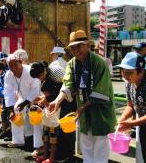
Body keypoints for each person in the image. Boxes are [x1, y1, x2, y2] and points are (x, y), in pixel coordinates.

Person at [48, 30, 117, 163]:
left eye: (79, 46)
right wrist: (57, 101)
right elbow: (67, 84)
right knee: (86, 144)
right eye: (72, 47)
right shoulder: (72, 64)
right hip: (83, 112)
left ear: (87, 45)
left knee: (100, 146)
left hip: (100, 112)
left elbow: (100, 91)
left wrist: (81, 108)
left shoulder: (99, 63)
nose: (75, 50)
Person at [4, 53, 41, 149]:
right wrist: (11, 110)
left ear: (21, 63)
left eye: (16, 65)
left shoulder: (30, 70)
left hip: (36, 97)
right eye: (11, 66)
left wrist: (26, 103)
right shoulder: (8, 74)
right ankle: (18, 140)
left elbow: (36, 88)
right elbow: (8, 92)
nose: (14, 69)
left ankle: (38, 145)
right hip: (22, 97)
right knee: (16, 110)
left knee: (35, 116)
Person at [116, 52, 146, 162]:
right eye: (123, 72)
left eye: (129, 72)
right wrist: (123, 118)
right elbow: (130, 106)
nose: (124, 75)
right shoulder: (128, 83)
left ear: (141, 71)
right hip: (142, 124)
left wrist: (132, 123)